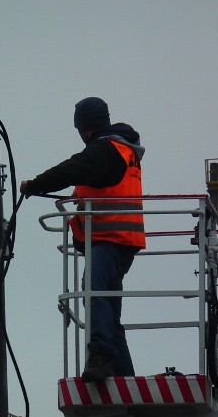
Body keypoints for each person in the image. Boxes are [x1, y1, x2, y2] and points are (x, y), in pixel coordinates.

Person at [20, 97, 145, 382]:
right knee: (107, 305)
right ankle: (124, 375)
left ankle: (100, 357)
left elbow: (72, 168)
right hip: (123, 238)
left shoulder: (104, 150)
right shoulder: (124, 150)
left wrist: (35, 185)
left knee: (93, 289)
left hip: (109, 236)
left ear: (84, 129)